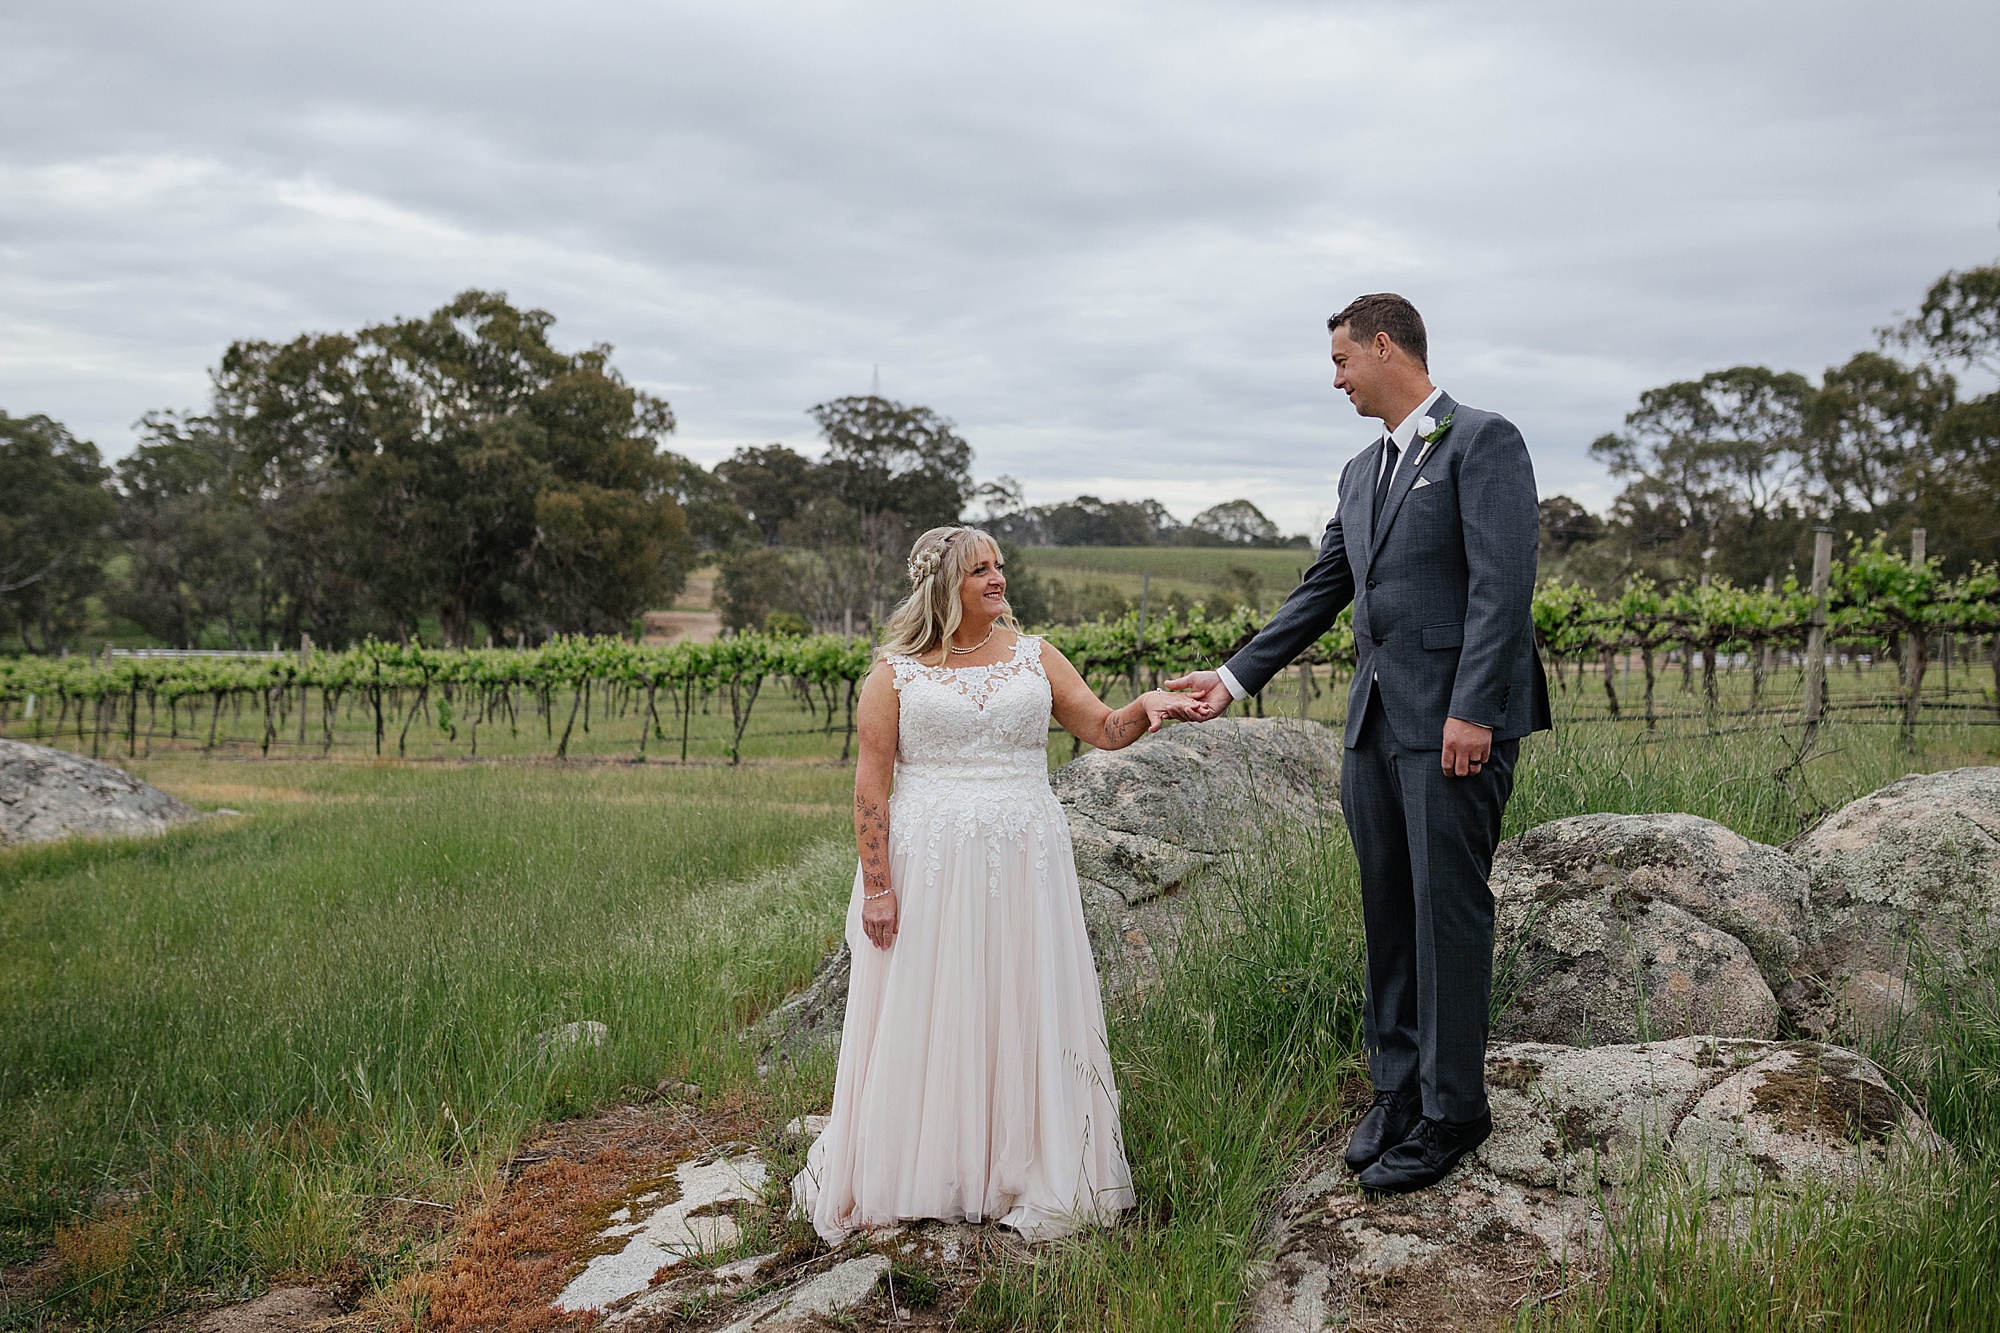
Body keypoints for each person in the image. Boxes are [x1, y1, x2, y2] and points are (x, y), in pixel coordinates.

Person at [1170, 293, 1551, 1193]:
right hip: (1373, 724)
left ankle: (1455, 1110)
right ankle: (1399, 1090)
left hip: (1454, 725)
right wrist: (1231, 680)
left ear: (1386, 347)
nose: (1335, 378)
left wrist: (1474, 709)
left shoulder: (1481, 441)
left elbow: (1503, 585)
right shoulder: (1358, 470)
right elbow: (1324, 588)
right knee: (1388, 908)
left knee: (1445, 912)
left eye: (1343, 360)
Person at [793, 525, 1202, 1243]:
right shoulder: (894, 674)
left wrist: (1146, 707)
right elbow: (869, 786)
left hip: (1022, 862)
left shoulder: (1035, 656)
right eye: (980, 569)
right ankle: (930, 1167)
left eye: (999, 565)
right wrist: (879, 886)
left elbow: (1103, 728)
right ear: (945, 584)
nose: (997, 578)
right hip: (931, 864)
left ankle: (1022, 1165)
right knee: (935, 1006)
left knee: (1018, 998)